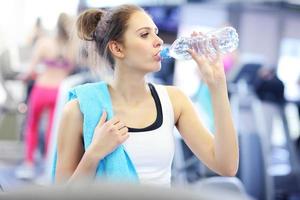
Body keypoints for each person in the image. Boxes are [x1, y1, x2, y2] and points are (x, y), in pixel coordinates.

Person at [54, 5, 239, 187]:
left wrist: (218, 86)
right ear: (117, 49)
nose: (158, 41)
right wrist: (94, 154)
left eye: (156, 32)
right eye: (144, 34)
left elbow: (226, 166)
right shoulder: (79, 109)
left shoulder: (175, 101)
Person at [16, 13, 76, 179]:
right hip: (58, 92)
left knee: (32, 125)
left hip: (42, 89)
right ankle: (48, 169)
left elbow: (31, 70)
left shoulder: (44, 43)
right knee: (53, 130)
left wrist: (24, 77)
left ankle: (29, 165)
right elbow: (70, 69)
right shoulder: (71, 46)